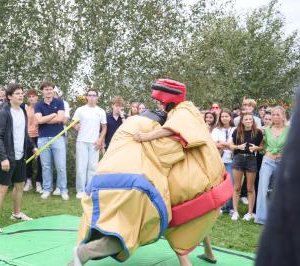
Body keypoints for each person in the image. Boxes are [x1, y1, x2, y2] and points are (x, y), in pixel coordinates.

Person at [70, 79, 230, 266]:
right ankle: (84, 253)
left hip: (103, 182)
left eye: (161, 101)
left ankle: (207, 254)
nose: (160, 105)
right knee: (130, 228)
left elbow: (174, 130)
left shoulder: (131, 126)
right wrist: (150, 137)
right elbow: (168, 149)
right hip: (137, 187)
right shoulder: (168, 125)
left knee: (105, 220)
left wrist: (148, 136)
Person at [0, 83, 34, 233]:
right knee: (2, 188)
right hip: (7, 157)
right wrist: (3, 158)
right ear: (9, 97)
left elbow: (24, 134)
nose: (21, 95)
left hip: (20, 156)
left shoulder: (22, 111)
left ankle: (16, 213)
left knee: (20, 185)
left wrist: (32, 146)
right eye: (17, 93)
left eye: (22, 93)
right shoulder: (3, 112)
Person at [35, 81, 69, 200]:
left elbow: (60, 118)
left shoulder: (59, 102)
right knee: (46, 166)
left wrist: (45, 119)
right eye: (46, 89)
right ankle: (47, 189)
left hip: (58, 137)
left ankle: (63, 189)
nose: (49, 91)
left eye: (50, 89)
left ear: (53, 90)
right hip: (43, 138)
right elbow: (38, 121)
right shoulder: (38, 105)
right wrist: (52, 115)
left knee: (60, 166)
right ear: (42, 91)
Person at [255, 106, 289, 225]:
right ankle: (261, 218)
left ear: (283, 116)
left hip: (282, 163)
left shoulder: (289, 130)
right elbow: (261, 145)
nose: (275, 117)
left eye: (278, 115)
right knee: (263, 188)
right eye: (273, 115)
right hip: (267, 161)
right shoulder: (265, 129)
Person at [72, 88, 107, 199]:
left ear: (97, 97)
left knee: (92, 167)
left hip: (94, 143)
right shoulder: (80, 110)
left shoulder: (101, 111)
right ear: (86, 97)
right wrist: (75, 125)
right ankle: (80, 190)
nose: (91, 97)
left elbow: (104, 127)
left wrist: (100, 139)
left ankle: (89, 190)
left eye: (94, 95)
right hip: (82, 141)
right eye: (90, 95)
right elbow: (73, 122)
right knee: (81, 167)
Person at [229, 112, 263, 221]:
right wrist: (238, 146)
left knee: (250, 188)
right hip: (238, 158)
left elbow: (262, 146)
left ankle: (249, 213)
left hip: (251, 159)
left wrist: (256, 148)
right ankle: (235, 212)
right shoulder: (237, 131)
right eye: (246, 119)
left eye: (250, 119)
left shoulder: (258, 132)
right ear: (242, 121)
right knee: (237, 187)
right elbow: (230, 145)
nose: (249, 121)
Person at [212, 108, 235, 215]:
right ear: (220, 118)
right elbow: (213, 144)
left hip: (231, 160)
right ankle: (220, 206)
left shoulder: (235, 129)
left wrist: (223, 144)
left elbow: (233, 145)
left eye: (226, 116)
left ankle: (230, 206)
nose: (224, 118)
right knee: (219, 183)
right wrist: (227, 145)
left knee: (230, 183)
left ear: (230, 117)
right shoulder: (216, 130)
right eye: (222, 116)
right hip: (219, 160)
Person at [24, 88, 43, 193]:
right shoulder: (26, 109)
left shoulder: (41, 107)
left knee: (40, 160)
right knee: (28, 160)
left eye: (33, 96)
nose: (32, 98)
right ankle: (29, 181)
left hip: (39, 136)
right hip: (28, 136)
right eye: (30, 97)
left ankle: (39, 182)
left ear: (37, 97)